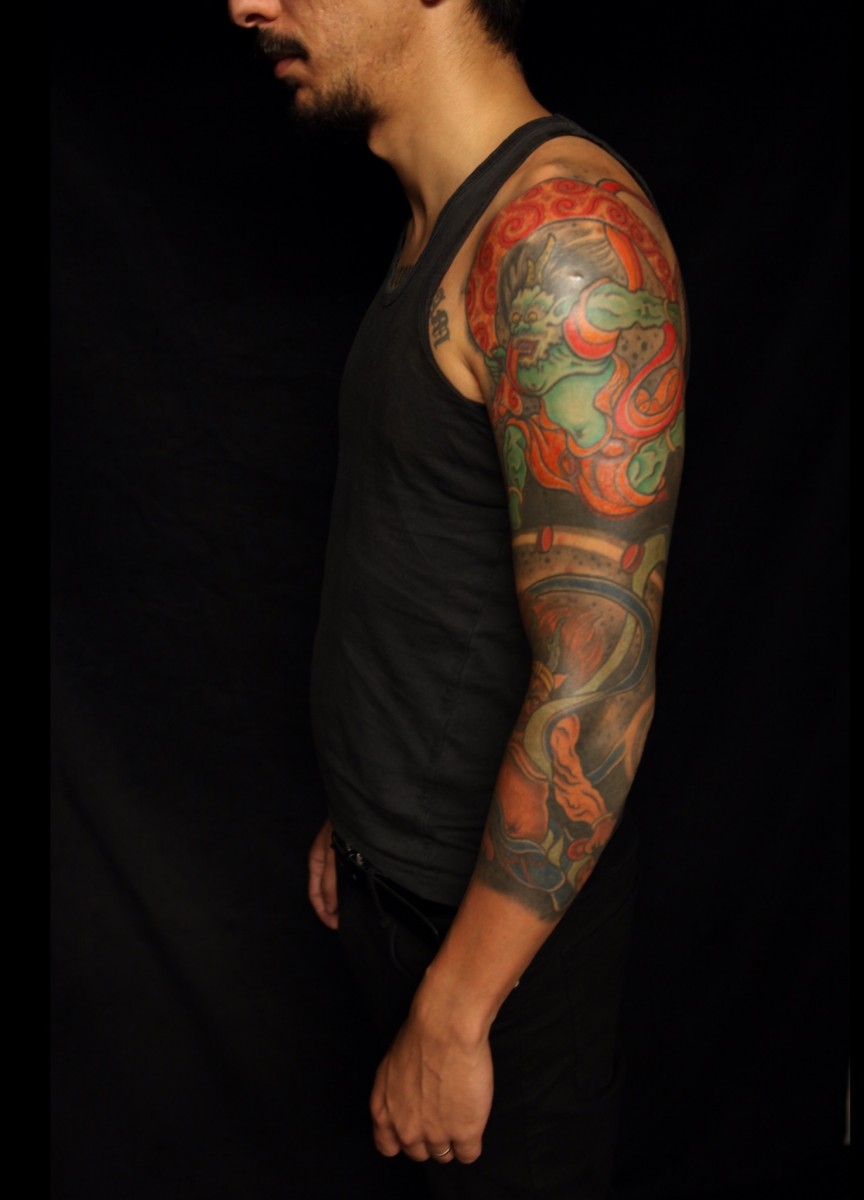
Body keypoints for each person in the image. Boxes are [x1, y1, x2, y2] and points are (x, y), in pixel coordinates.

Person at [227, 3, 687, 1196]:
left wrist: (455, 1009)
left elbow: (599, 681)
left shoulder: (564, 240)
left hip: (494, 963)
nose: (246, 5)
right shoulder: (447, 218)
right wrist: (366, 818)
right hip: (396, 891)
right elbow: (426, 563)